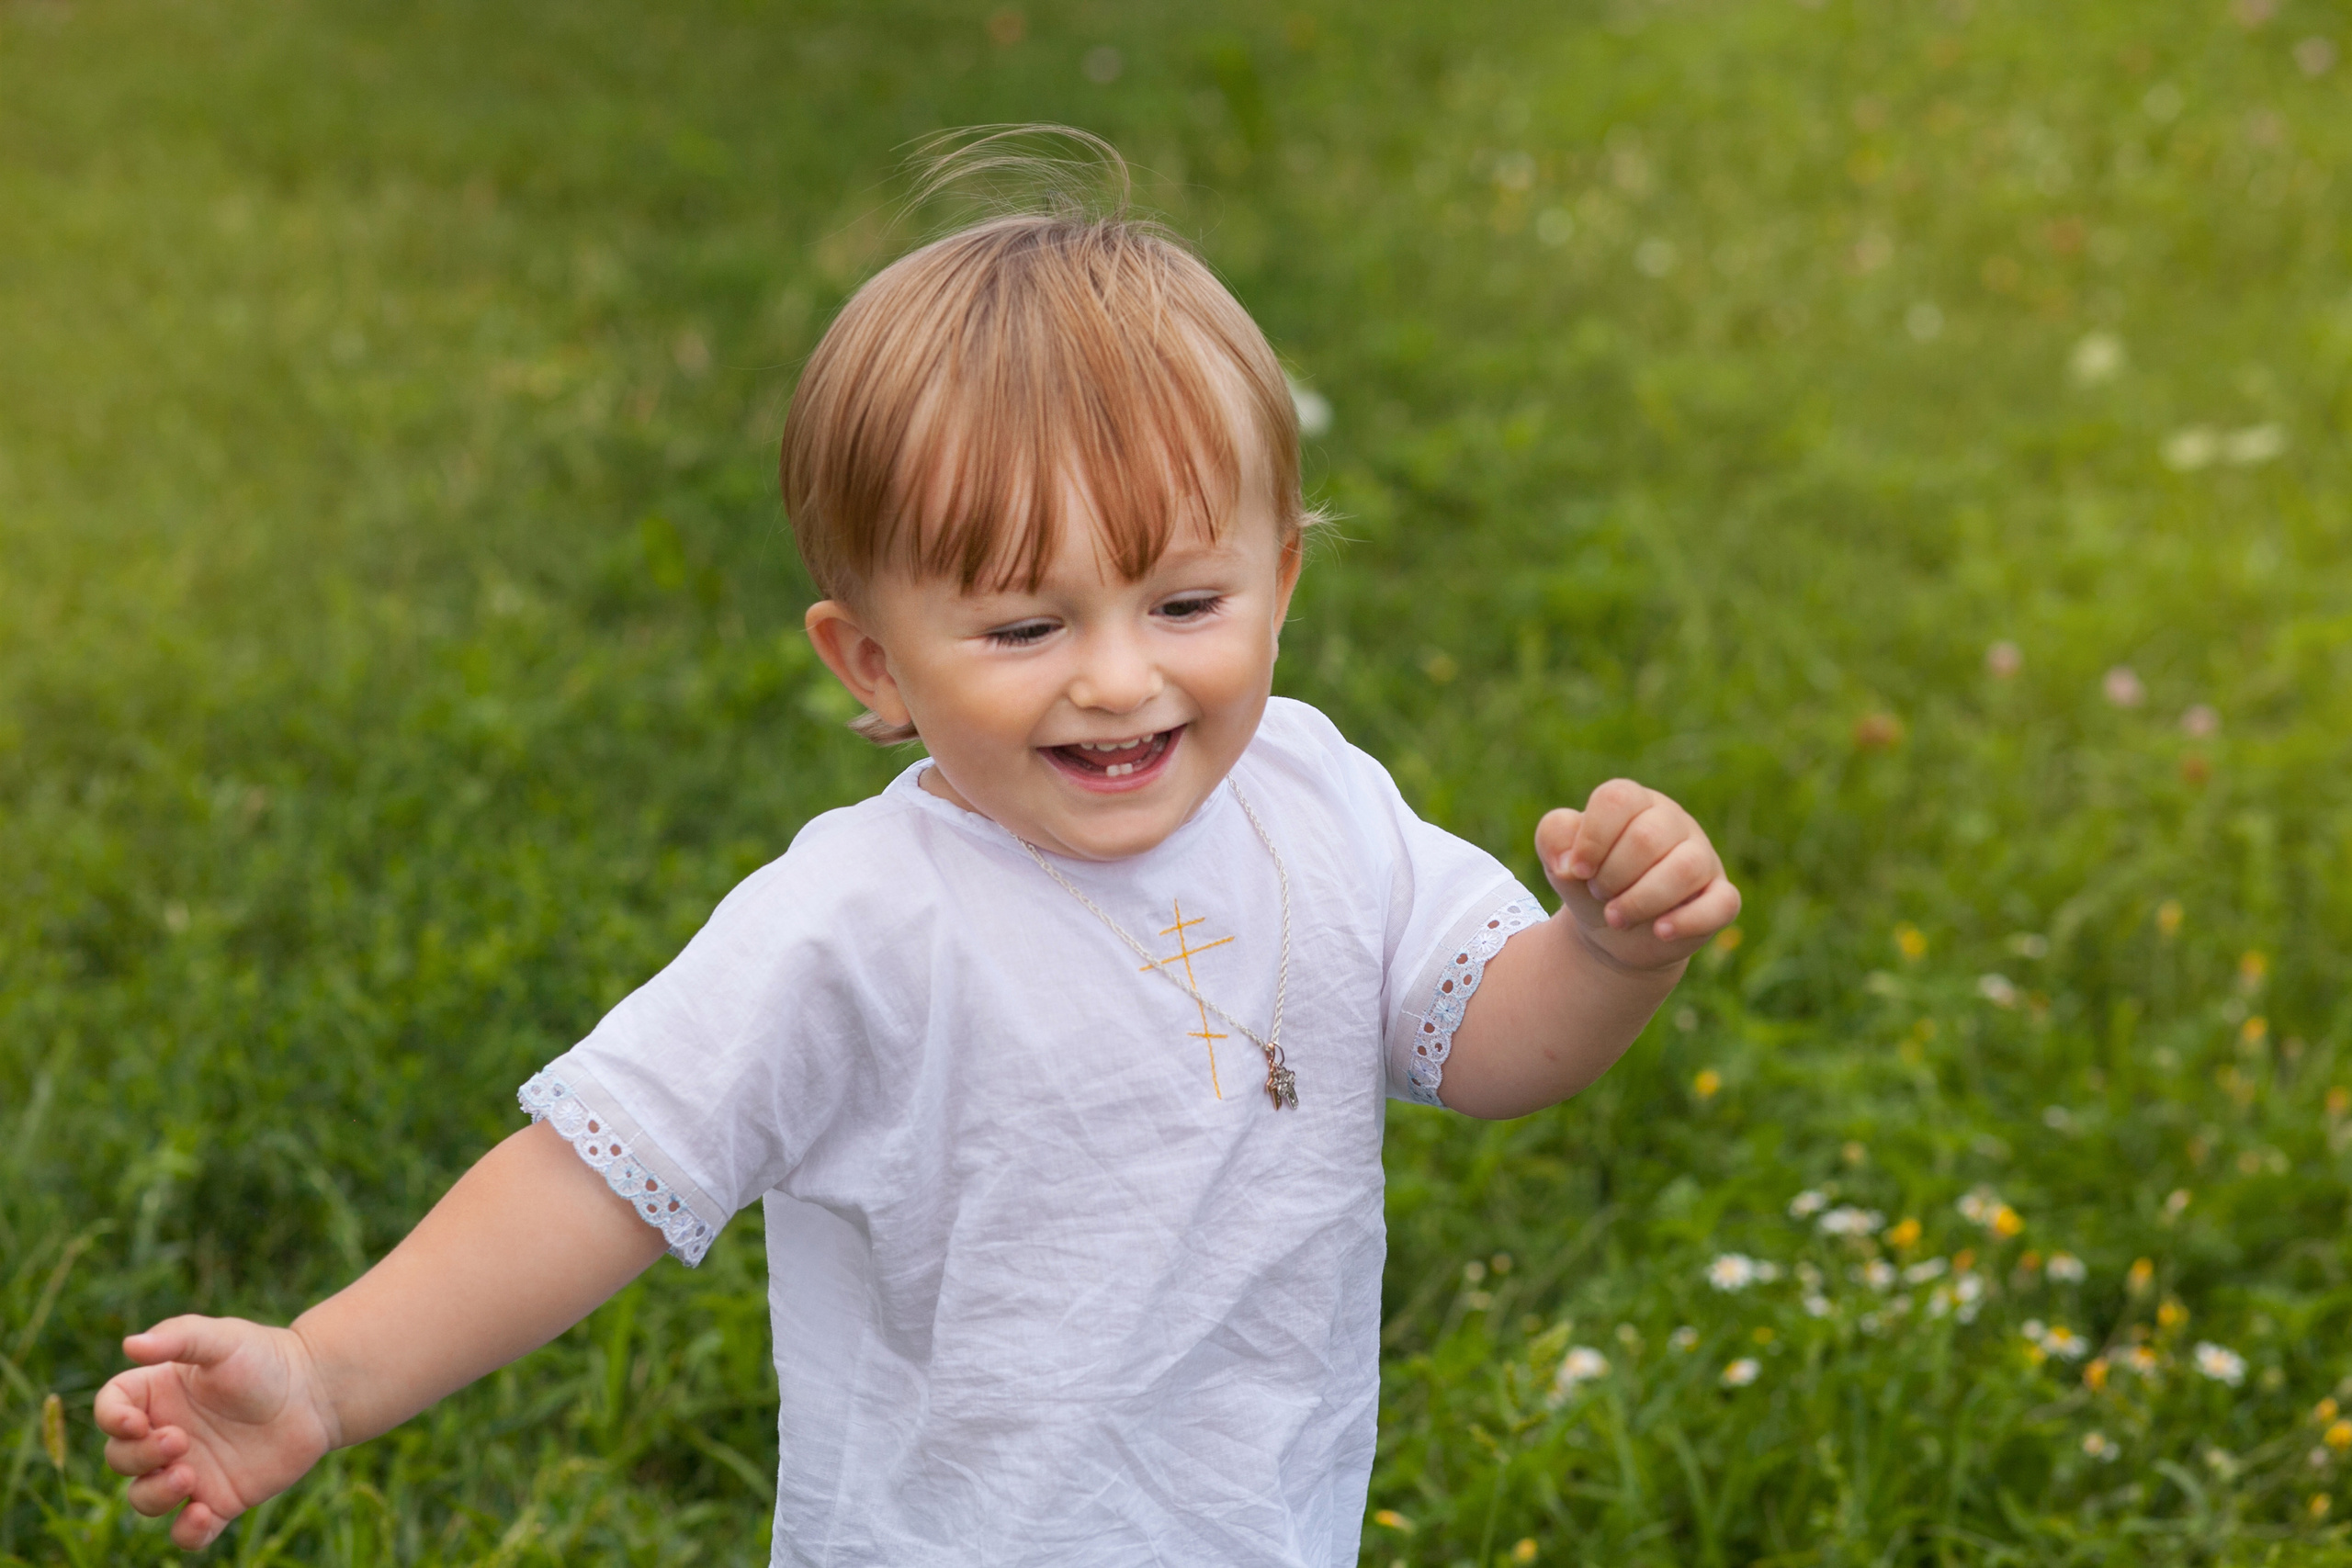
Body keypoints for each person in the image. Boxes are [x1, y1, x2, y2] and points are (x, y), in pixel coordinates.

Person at [96, 151, 1738, 1565]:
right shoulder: (854, 924)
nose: (1118, 676)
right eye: (1024, 625)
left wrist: (1603, 957)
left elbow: (1482, 1047)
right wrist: (323, 1372)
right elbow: (595, 1178)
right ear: (870, 662)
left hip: (1262, 1522)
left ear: (1283, 582)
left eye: (1184, 602)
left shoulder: (1316, 798)